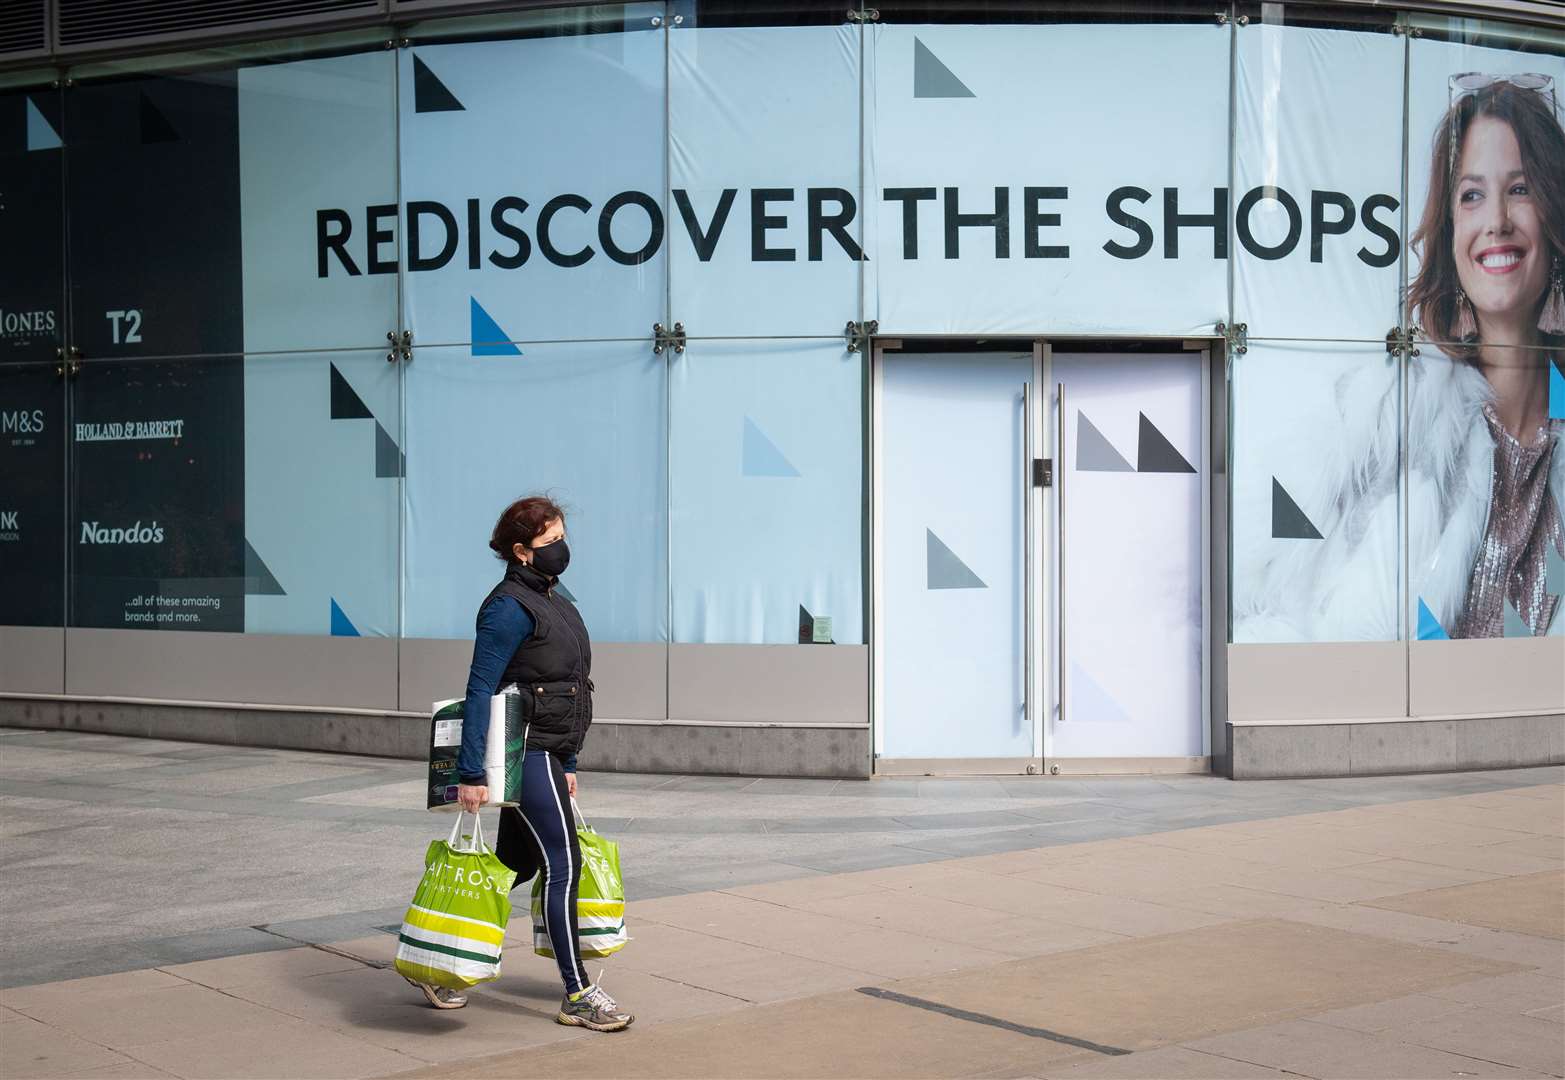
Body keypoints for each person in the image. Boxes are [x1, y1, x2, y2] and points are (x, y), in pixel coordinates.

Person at [1236, 75, 1564, 642]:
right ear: (1450, 231)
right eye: (1471, 195)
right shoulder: (1386, 422)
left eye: (1520, 188)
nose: (1497, 222)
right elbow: (1258, 594)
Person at [405, 495, 634, 1032]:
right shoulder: (507, 607)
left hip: (550, 750)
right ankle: (577, 994)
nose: (560, 548)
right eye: (549, 541)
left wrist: (571, 759)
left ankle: (442, 956)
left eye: (561, 537)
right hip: (524, 750)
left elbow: (571, 685)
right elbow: (480, 688)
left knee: (518, 865)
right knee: (564, 861)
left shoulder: (556, 601)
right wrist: (470, 773)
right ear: (521, 551)